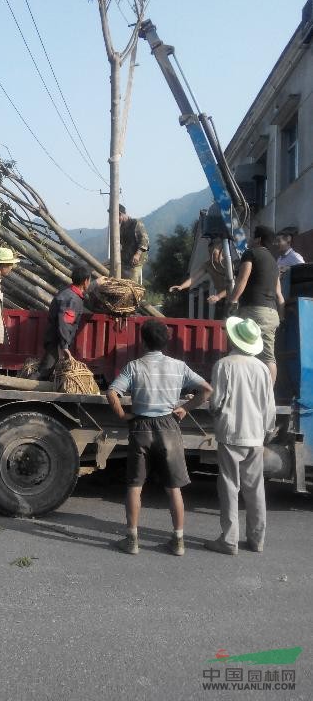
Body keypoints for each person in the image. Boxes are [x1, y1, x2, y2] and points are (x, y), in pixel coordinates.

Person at [106, 320, 212, 556]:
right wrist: (187, 407)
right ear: (166, 341)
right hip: (168, 425)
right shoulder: (179, 366)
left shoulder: (134, 366)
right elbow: (206, 389)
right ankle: (178, 541)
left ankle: (132, 539)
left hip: (141, 425)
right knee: (173, 487)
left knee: (135, 485)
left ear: (143, 341)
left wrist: (123, 414)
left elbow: (112, 392)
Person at [205, 316, 276, 555]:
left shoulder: (224, 364)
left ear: (233, 338)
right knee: (255, 488)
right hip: (256, 435)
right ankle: (257, 540)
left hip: (231, 433)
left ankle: (229, 540)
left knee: (229, 486)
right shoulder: (263, 369)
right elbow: (269, 406)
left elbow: (216, 401)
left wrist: (213, 413)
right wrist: (266, 431)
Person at [228, 225, 284, 384]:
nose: (251, 240)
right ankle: (268, 396)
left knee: (242, 349)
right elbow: (279, 295)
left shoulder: (251, 253)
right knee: (268, 357)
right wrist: (282, 316)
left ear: (258, 239)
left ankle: (241, 388)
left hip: (254, 310)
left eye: (253, 236)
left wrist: (232, 302)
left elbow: (242, 280)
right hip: (272, 314)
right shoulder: (274, 263)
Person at [37, 263, 93, 380]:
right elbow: (65, 324)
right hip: (56, 341)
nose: (90, 282)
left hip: (55, 338)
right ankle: (28, 391)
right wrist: (64, 346)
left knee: (48, 372)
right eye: (89, 280)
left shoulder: (68, 292)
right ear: (85, 281)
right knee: (44, 371)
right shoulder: (72, 299)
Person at [170, 239, 229, 316]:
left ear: (221, 251)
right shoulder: (208, 265)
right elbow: (194, 278)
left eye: (214, 253)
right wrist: (181, 286)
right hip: (220, 300)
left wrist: (218, 296)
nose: (211, 256)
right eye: (210, 253)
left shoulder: (229, 265)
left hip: (231, 298)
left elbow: (233, 287)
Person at [117, 204, 149, 282]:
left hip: (136, 261)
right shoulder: (121, 227)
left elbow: (145, 240)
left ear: (120, 214)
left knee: (132, 283)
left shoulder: (136, 223)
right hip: (125, 260)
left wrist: (137, 254)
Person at [276, 230, 305, 299]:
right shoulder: (279, 259)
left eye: (278, 241)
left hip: (292, 295)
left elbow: (303, 273)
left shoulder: (295, 257)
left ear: (288, 241)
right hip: (280, 294)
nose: (276, 244)